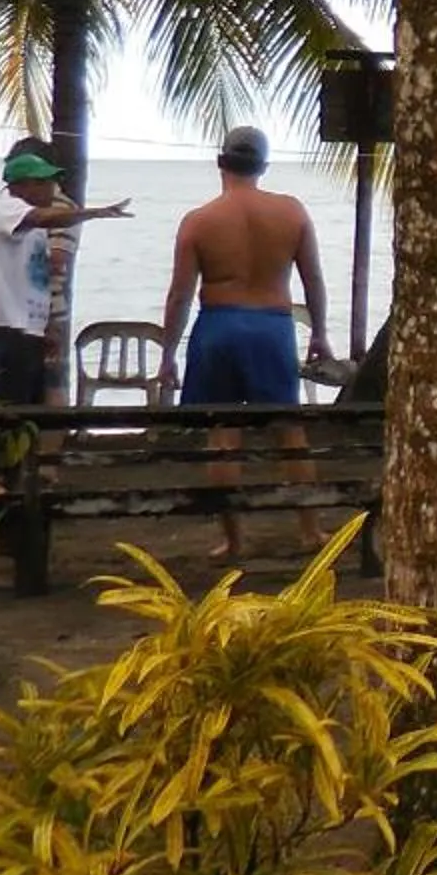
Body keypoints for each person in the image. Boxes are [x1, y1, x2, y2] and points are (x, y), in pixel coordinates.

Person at [161, 125, 332, 560]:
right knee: (289, 431)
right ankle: (310, 530)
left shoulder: (199, 221)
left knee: (223, 434)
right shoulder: (291, 212)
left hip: (218, 324)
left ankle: (233, 540)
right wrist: (321, 334)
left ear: (222, 163)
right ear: (263, 167)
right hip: (272, 326)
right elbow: (313, 278)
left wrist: (167, 353)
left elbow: (180, 294)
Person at [0, 150, 129, 404]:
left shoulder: (31, 226)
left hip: (27, 332)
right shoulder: (6, 209)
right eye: (45, 183)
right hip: (6, 333)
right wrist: (95, 213)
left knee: (30, 420)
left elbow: (35, 279)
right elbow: (42, 218)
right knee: (7, 419)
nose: (52, 189)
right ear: (23, 186)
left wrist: (45, 327)